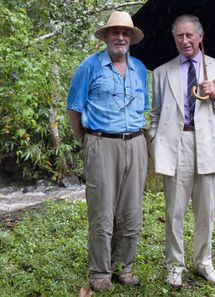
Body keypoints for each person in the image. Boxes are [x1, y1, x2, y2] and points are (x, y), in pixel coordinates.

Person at [150, 14, 215, 288]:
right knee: (175, 211)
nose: (185, 40)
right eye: (180, 36)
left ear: (200, 37)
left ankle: (204, 263)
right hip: (176, 146)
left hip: (208, 145)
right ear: (174, 39)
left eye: (190, 35)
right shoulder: (162, 72)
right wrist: (155, 141)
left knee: (205, 211)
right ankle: (174, 266)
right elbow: (154, 114)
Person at [66, 11, 149, 292]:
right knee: (102, 212)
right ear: (106, 37)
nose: (121, 37)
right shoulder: (88, 67)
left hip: (136, 143)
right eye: (115, 32)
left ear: (131, 38)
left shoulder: (139, 68)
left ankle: (124, 266)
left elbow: (143, 108)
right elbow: (74, 109)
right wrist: (88, 142)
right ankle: (100, 271)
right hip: (101, 143)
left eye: (126, 33)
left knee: (131, 211)